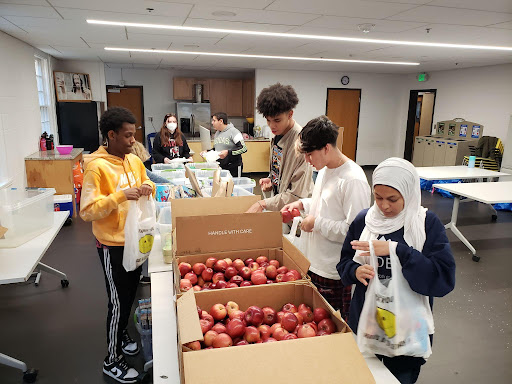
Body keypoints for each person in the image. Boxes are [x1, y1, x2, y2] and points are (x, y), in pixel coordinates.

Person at [336, 158, 456, 384]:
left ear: (409, 195)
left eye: (393, 199)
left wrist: (398, 251)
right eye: (378, 197)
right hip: (366, 323)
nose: (384, 206)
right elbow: (343, 262)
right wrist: (354, 271)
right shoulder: (365, 221)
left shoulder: (425, 225)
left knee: (400, 378)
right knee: (363, 375)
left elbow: (442, 279)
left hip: (407, 331)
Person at [80, 107, 155, 383]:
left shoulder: (133, 160)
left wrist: (148, 186)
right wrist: (120, 196)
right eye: (127, 136)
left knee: (130, 296)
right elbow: (87, 211)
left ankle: (122, 333)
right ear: (110, 135)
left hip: (136, 240)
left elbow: (145, 179)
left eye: (133, 135)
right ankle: (111, 361)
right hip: (112, 246)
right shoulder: (96, 167)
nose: (132, 141)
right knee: (117, 301)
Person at [281, 116, 371, 321]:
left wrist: (316, 224)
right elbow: (325, 204)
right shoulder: (324, 170)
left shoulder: (353, 180)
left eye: (309, 154)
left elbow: (355, 232)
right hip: (315, 261)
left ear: (326, 148)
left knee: (332, 324)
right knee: (313, 320)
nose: (307, 160)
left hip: (334, 269)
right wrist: (303, 204)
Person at [246, 83, 313, 213]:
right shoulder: (278, 135)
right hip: (281, 205)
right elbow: (282, 169)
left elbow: (297, 195)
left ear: (290, 114)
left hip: (298, 214)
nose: (272, 126)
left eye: (277, 120)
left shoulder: (301, 144)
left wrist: (262, 203)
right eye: (268, 120)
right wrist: (272, 179)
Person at [203, 112, 247, 177]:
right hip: (221, 167)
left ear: (221, 121)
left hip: (233, 167)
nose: (212, 123)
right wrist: (207, 152)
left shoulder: (234, 132)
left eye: (214, 120)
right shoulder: (217, 133)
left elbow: (243, 148)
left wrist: (228, 152)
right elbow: (217, 149)